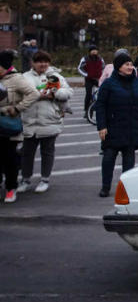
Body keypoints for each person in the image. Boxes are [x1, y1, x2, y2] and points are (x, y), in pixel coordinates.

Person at [95, 52, 138, 197]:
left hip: (132, 126)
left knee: (129, 160)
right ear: (119, 67)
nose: (130, 67)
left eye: (131, 64)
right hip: (113, 127)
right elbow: (100, 105)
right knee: (108, 158)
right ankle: (105, 187)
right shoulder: (109, 84)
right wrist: (102, 126)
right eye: (127, 64)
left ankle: (126, 188)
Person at [20, 51, 72, 193]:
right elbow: (18, 95)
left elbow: (68, 92)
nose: (43, 64)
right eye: (39, 61)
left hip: (50, 120)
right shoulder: (25, 77)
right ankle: (25, 179)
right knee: (27, 152)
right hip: (29, 121)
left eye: (45, 61)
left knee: (47, 151)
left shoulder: (55, 76)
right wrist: (37, 95)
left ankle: (45, 179)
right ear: (33, 63)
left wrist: (55, 94)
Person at [0, 50, 40, 202]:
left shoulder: (16, 79)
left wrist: (17, 108)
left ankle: (11, 188)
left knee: (9, 158)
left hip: (9, 124)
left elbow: (34, 94)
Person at [78, 45, 104, 116]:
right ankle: (87, 111)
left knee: (101, 94)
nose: (94, 51)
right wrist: (87, 75)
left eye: (95, 50)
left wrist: (102, 76)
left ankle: (99, 108)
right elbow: (80, 68)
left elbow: (103, 68)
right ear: (89, 51)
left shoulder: (100, 59)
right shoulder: (85, 59)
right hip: (89, 79)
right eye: (92, 50)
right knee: (88, 95)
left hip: (98, 79)